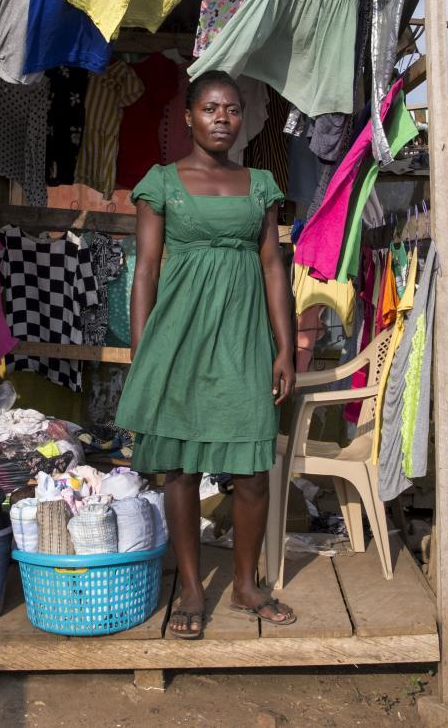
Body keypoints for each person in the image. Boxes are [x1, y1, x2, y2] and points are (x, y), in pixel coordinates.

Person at [116, 70, 297, 639]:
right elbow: (145, 270)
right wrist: (145, 350)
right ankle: (192, 588)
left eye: (233, 109)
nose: (223, 118)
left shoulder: (262, 183)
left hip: (244, 338)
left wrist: (286, 347)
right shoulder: (162, 183)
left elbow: (273, 268)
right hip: (179, 337)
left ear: (244, 119)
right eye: (212, 108)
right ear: (190, 116)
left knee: (252, 470)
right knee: (179, 469)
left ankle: (244, 585)